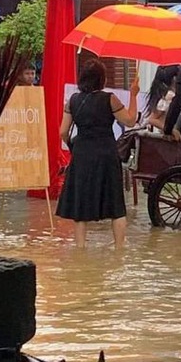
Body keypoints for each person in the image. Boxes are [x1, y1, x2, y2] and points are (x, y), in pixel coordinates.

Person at [56, 59, 139, 249]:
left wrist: (73, 145)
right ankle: (119, 248)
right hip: (107, 154)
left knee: (81, 203)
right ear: (102, 79)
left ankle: (80, 247)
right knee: (116, 204)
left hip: (82, 153)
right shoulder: (109, 99)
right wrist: (133, 95)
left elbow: (62, 131)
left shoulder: (73, 101)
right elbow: (130, 121)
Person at [143, 64, 181, 132]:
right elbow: (152, 119)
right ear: (174, 78)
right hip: (164, 137)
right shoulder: (169, 96)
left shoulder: (163, 93)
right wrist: (170, 130)